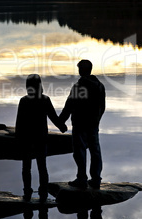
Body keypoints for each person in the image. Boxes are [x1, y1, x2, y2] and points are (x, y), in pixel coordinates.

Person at [15, 74, 67, 202]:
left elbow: (19, 122)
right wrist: (62, 127)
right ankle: (43, 192)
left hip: (27, 138)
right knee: (42, 166)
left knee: (26, 167)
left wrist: (18, 138)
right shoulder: (45, 100)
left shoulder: (24, 101)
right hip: (41, 138)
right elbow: (53, 117)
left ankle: (27, 192)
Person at [59, 60, 106, 189]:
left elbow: (69, 105)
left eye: (79, 68)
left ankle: (82, 179)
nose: (78, 70)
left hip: (80, 124)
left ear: (82, 70)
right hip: (93, 124)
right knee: (95, 151)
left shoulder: (79, 86)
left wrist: (60, 122)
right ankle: (96, 179)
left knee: (79, 152)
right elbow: (102, 107)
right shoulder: (100, 86)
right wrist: (97, 120)